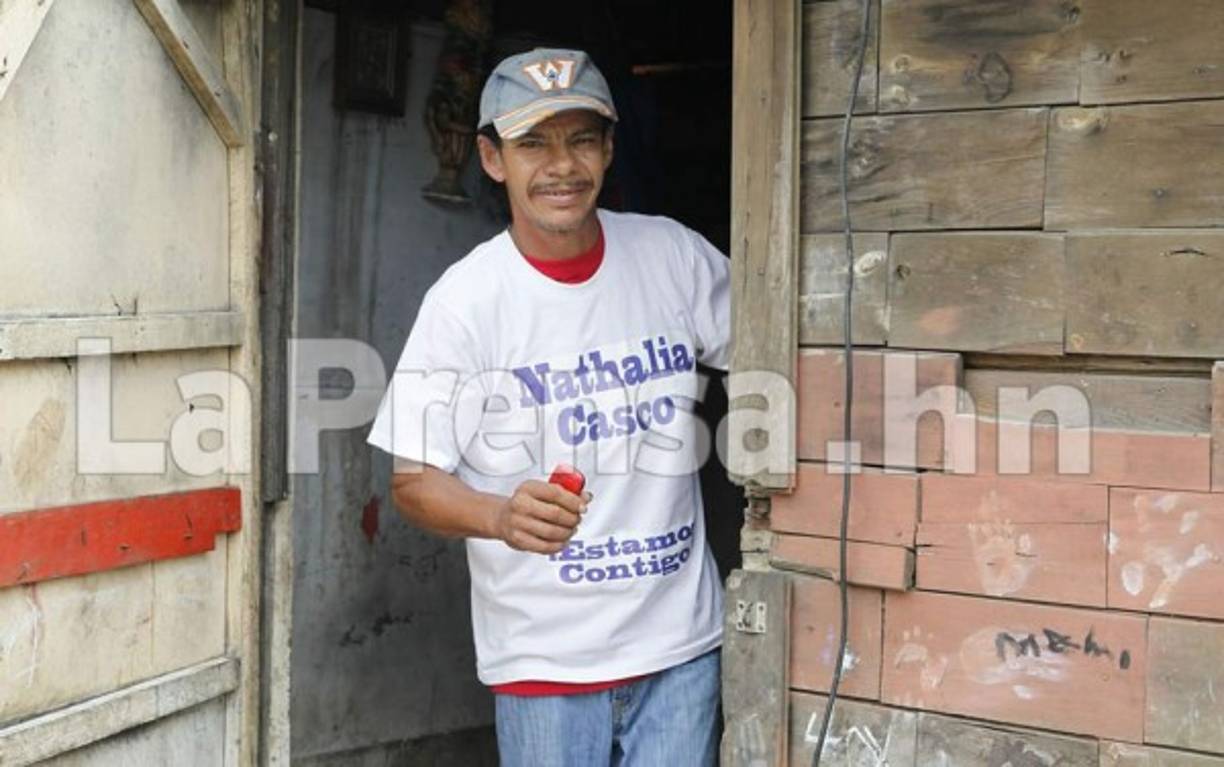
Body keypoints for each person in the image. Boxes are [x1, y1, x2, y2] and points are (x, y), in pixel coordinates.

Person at [367, 47, 731, 767]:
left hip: (680, 649)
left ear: (609, 148)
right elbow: (413, 482)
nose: (561, 166)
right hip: (545, 664)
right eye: (533, 142)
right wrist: (499, 515)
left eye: (582, 138)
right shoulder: (465, 302)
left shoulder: (674, 258)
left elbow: (785, 357)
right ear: (492, 158)